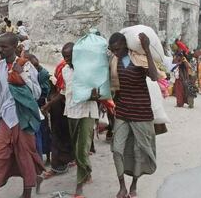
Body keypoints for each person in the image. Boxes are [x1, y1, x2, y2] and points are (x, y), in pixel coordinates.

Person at [0, 33, 44, 198]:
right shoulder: (0, 67)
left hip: (24, 119)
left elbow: (36, 93)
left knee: (26, 156)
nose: (0, 50)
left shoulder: (26, 66)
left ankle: (26, 193)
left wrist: (21, 73)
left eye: (4, 47)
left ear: (15, 47)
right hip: (6, 119)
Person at [42, 42, 99, 197]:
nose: (66, 60)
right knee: (76, 148)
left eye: (69, 56)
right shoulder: (65, 70)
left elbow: (98, 92)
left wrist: (92, 95)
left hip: (87, 112)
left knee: (82, 148)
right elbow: (64, 92)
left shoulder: (88, 69)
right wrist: (48, 105)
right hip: (72, 112)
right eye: (64, 57)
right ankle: (87, 171)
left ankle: (79, 187)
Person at [107, 32, 158, 198]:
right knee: (117, 149)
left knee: (139, 151)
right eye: (113, 50)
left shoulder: (138, 58)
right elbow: (113, 85)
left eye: (118, 49)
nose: (115, 52)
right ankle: (122, 186)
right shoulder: (115, 61)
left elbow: (154, 76)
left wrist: (147, 49)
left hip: (141, 112)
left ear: (125, 45)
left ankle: (134, 185)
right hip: (122, 111)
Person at [41, 60, 74, 179]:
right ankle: (65, 161)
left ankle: (58, 166)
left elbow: (62, 92)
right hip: (64, 108)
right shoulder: (64, 68)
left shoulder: (66, 69)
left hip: (63, 109)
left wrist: (48, 105)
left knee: (58, 136)